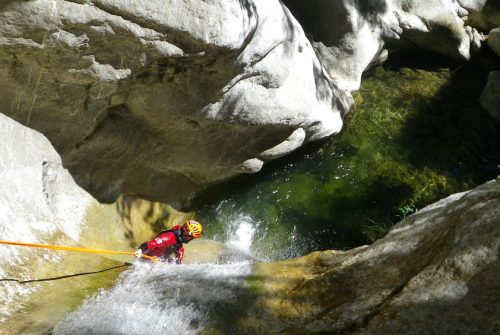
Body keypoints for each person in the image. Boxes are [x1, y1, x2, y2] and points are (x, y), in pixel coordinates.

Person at [134, 219, 203, 263]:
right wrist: (140, 250)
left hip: (161, 256)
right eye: (191, 238)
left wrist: (178, 261)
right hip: (148, 259)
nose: (190, 240)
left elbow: (178, 246)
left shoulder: (179, 231)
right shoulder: (168, 238)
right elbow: (149, 244)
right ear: (187, 235)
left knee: (177, 261)